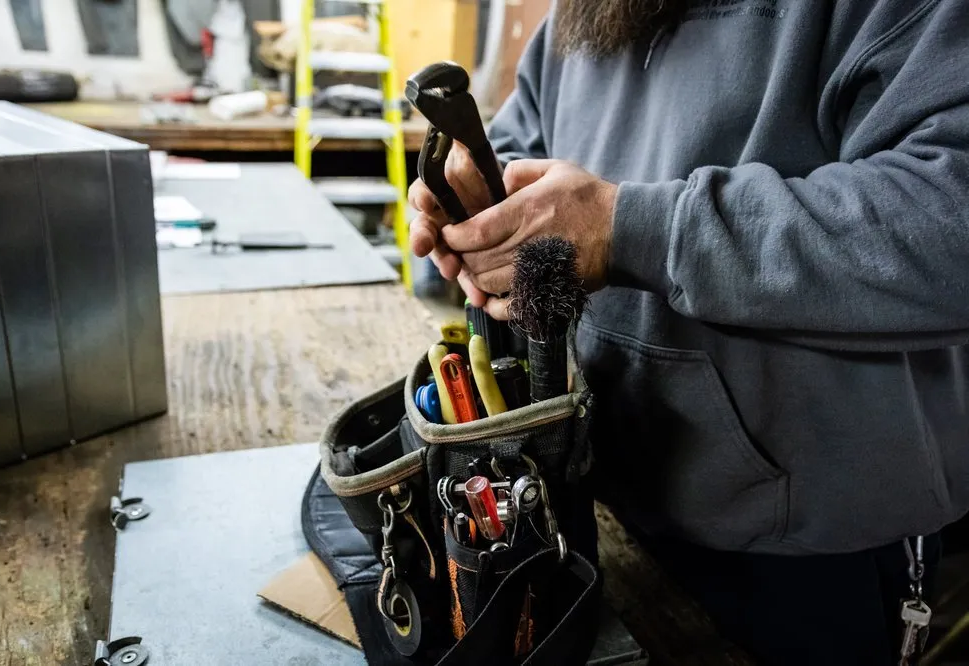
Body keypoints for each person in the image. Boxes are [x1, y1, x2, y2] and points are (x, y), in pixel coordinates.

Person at [407, 0, 969, 664]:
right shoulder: (583, 13)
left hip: (802, 545)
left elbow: (947, 218)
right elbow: (525, 144)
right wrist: (483, 208)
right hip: (592, 492)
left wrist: (628, 227)